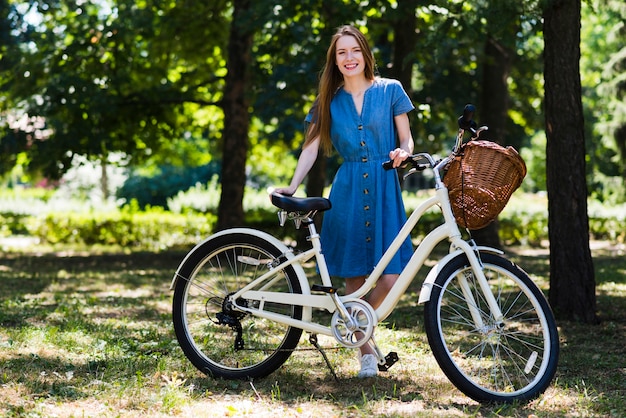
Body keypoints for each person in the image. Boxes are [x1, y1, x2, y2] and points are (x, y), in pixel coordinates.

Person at [273, 25, 415, 378]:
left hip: (385, 186)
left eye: (354, 50)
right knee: (354, 273)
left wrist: (403, 153)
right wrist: (293, 185)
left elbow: (408, 139)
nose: (349, 58)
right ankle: (366, 353)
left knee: (393, 274)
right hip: (348, 188)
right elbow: (310, 147)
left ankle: (351, 321)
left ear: (365, 54)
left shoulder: (391, 90)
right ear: (335, 61)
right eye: (341, 53)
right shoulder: (329, 101)